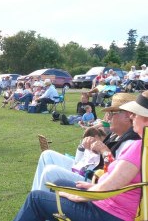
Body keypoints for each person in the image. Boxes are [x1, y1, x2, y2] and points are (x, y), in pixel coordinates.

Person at [13, 91, 148, 221]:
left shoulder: (137, 146)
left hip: (109, 213)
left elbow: (112, 186)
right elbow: (121, 182)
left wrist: (79, 196)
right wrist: (92, 187)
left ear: (146, 120)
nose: (131, 117)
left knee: (35, 199)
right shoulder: (140, 145)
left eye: (135, 114)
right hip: (109, 205)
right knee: (58, 183)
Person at [31, 93, 139, 192]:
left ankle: (39, 203)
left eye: (112, 112)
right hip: (88, 169)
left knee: (51, 172)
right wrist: (91, 148)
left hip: (95, 183)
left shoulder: (131, 142)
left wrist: (103, 150)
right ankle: (36, 197)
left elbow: (114, 176)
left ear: (127, 116)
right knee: (47, 155)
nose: (108, 117)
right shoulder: (116, 134)